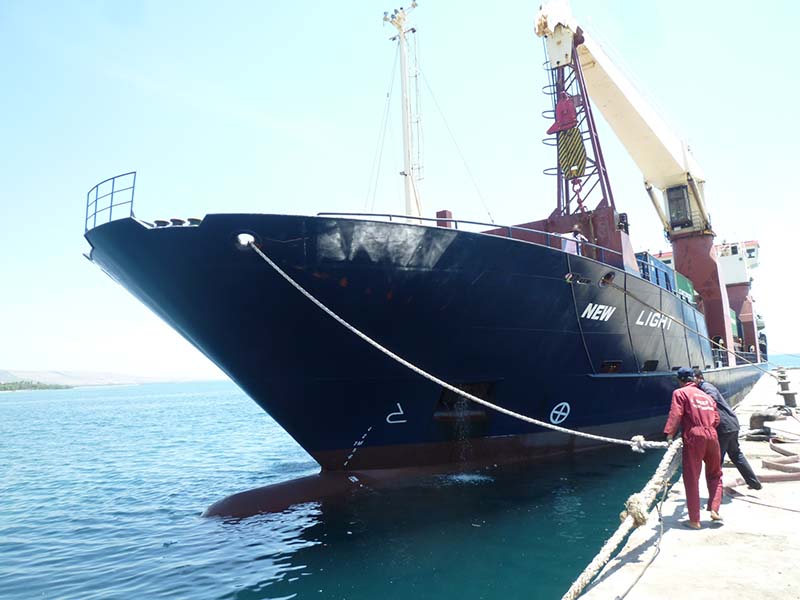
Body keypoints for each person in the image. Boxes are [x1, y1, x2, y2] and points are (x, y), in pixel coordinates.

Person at [664, 367, 723, 529]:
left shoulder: (680, 393)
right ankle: (714, 508)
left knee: (692, 477)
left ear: (680, 380)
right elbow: (716, 419)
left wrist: (669, 434)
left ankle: (695, 520)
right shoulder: (707, 396)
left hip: (695, 436)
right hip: (712, 434)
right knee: (715, 474)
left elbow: (676, 414)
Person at [693, 368, 762, 490]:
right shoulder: (702, 387)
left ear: (699, 378)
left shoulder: (706, 386)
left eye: (692, 378)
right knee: (736, 454)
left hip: (724, 426)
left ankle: (715, 490)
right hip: (731, 423)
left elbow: (711, 398)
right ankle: (754, 483)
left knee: (716, 459)